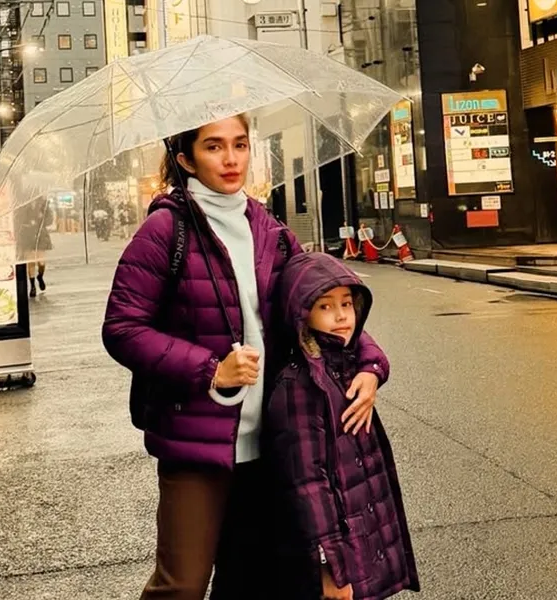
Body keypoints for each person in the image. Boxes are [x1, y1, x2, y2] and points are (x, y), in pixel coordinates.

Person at [102, 114, 390, 600]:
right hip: (198, 442)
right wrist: (210, 369)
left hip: (277, 439)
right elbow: (123, 328)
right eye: (214, 147)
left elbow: (320, 303)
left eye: (240, 144)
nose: (231, 158)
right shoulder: (163, 230)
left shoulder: (268, 228)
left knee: (255, 578)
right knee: (183, 584)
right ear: (185, 158)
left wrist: (370, 364)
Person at [264, 252, 418, 600]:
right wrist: (330, 565)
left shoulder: (344, 367)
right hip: (339, 552)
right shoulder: (300, 384)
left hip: (360, 539)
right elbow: (308, 484)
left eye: (347, 304)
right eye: (325, 307)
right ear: (301, 314)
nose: (341, 317)